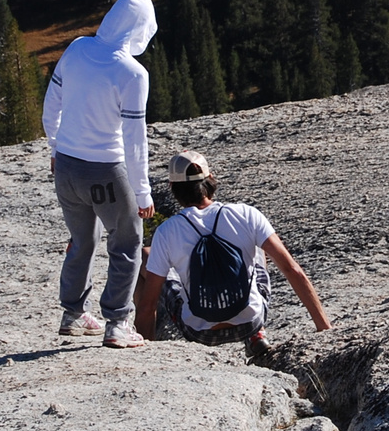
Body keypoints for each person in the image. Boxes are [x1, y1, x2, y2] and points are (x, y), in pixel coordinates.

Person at [43, 0, 158, 349]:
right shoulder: (132, 73)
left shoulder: (77, 48)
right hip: (106, 169)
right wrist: (142, 191)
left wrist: (55, 147)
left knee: (82, 240)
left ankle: (73, 314)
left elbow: (52, 104)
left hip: (66, 167)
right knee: (126, 242)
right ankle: (118, 322)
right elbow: (134, 140)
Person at [135, 150, 330, 358]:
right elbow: (292, 270)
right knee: (257, 247)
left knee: (142, 257)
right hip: (250, 322)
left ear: (172, 187)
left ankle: (146, 348)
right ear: (210, 179)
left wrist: (147, 359)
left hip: (199, 332)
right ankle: (257, 335)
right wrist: (325, 329)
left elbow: (148, 305)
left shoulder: (167, 231)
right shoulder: (246, 214)